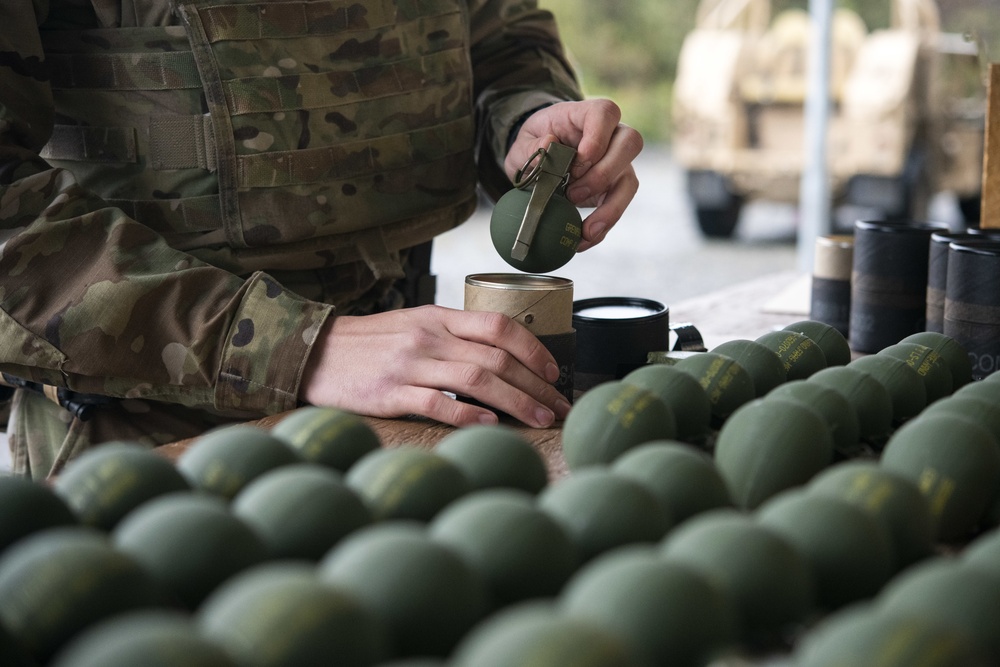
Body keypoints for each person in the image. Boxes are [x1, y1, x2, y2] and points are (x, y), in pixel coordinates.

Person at [0, 0, 642, 478]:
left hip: (415, 397)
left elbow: (499, 36)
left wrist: (527, 123)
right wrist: (293, 344)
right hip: (153, 440)